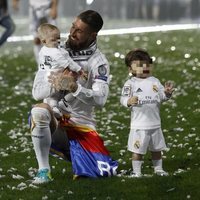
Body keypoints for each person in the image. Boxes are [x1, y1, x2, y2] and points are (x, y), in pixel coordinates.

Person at [30, 10, 118, 184]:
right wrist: (52, 84)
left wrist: (75, 88)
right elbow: (39, 86)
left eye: (79, 31)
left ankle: (76, 154)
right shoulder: (54, 50)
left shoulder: (98, 62)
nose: (72, 33)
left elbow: (100, 100)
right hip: (55, 121)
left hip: (81, 127)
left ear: (92, 34)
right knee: (39, 112)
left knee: (102, 172)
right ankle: (44, 171)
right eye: (72, 27)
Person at [120, 49, 174, 177]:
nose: (143, 68)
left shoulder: (155, 81)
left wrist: (167, 93)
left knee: (157, 148)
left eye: (146, 64)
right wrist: (128, 101)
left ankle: (159, 169)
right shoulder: (130, 83)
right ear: (130, 69)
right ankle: (137, 172)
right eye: (139, 65)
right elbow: (122, 98)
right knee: (137, 150)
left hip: (155, 124)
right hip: (139, 125)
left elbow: (161, 96)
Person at [36, 23, 86, 118]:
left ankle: (56, 107)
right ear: (44, 41)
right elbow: (68, 63)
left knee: (52, 96)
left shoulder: (44, 50)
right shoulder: (55, 52)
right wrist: (79, 70)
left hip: (47, 77)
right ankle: (60, 105)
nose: (57, 41)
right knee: (74, 87)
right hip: (56, 78)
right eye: (53, 40)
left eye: (58, 38)